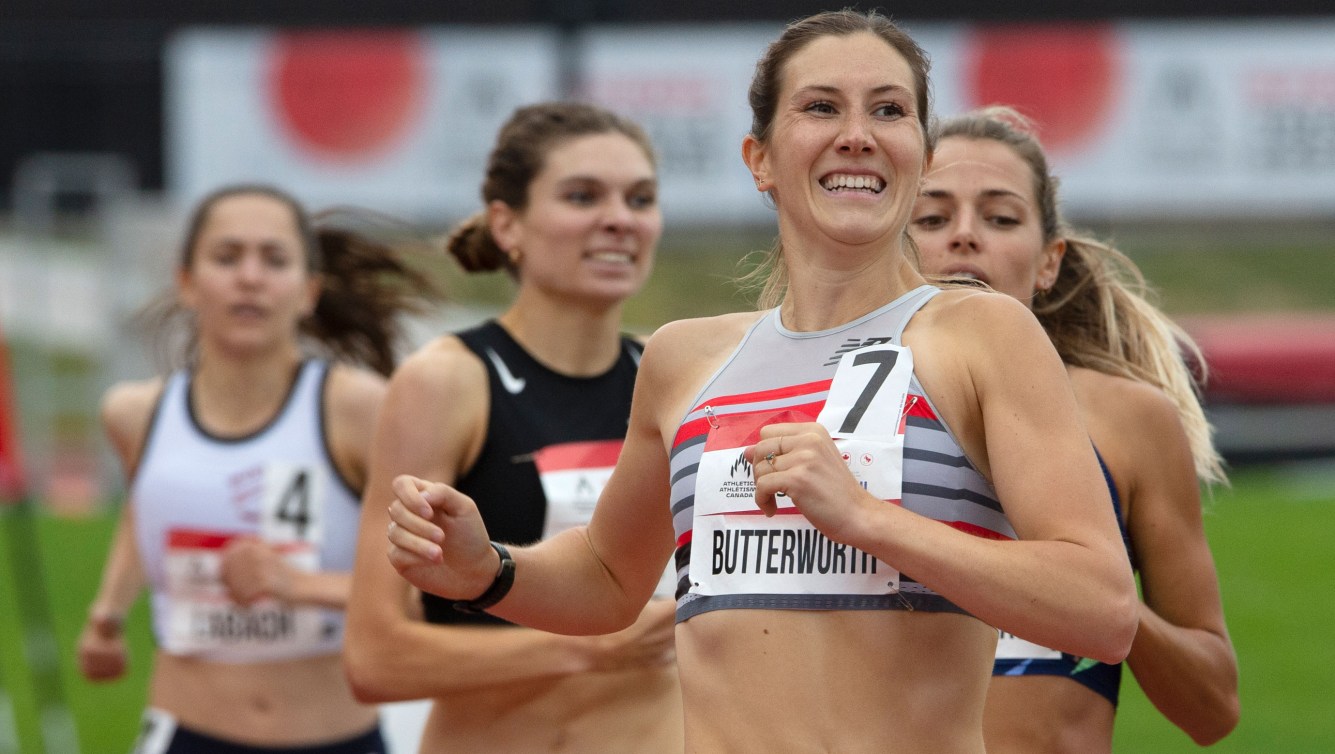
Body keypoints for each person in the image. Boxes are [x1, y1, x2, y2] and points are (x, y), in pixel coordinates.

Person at [384, 11, 1139, 751]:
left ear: (918, 153)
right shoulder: (684, 359)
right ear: (760, 159)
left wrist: (870, 521)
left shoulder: (982, 334)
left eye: (888, 109)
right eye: (820, 108)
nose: (857, 134)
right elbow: (610, 575)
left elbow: (1100, 610)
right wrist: (489, 568)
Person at [343, 101, 682, 753]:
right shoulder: (450, 381)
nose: (618, 219)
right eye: (582, 196)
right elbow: (376, 657)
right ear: (508, 224)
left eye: (639, 199)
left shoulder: (675, 378)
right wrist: (586, 646)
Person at [909, 106, 1240, 750]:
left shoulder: (1130, 420)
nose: (965, 236)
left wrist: (1084, 591)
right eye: (931, 217)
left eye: (1001, 218)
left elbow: (1213, 706)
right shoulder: (820, 404)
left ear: (1048, 261)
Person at [76, 184, 438, 753]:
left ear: (308, 291)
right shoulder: (134, 415)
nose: (250, 277)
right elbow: (149, 508)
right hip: (184, 732)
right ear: (187, 282)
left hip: (336, 736)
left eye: (274, 260)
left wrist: (298, 586)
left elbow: (432, 588)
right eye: (227, 257)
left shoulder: (360, 411)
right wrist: (109, 611)